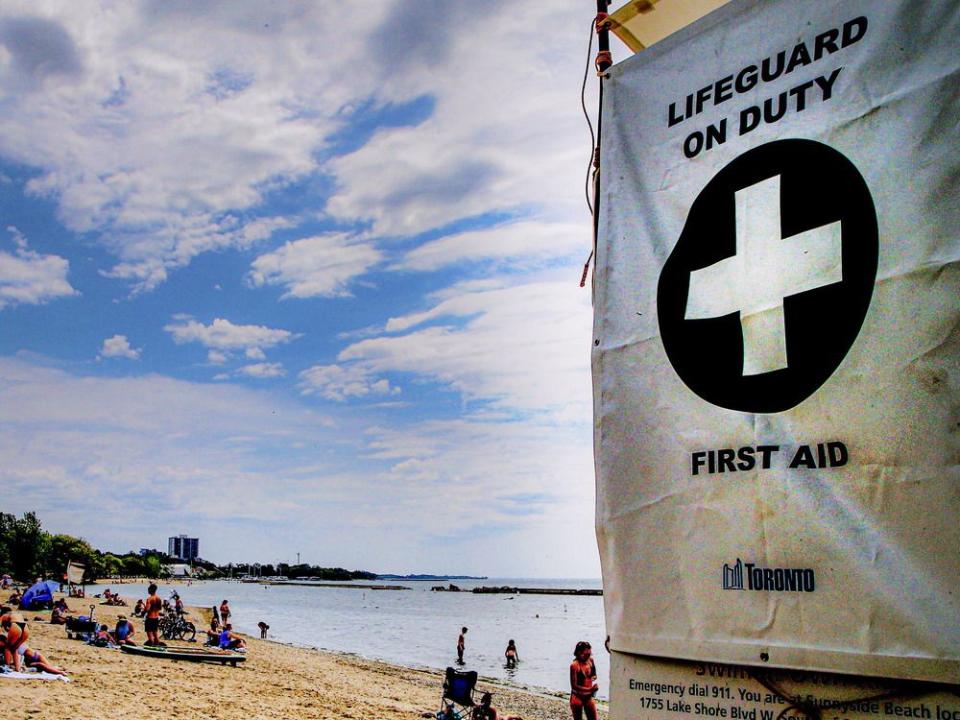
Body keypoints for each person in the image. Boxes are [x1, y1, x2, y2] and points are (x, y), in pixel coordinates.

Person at [569, 641, 598, 720]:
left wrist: (593, 678)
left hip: (588, 696)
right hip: (577, 696)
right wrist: (590, 689)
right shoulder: (574, 665)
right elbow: (574, 686)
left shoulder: (590, 661)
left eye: (589, 654)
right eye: (586, 654)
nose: (588, 657)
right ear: (579, 653)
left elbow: (594, 673)